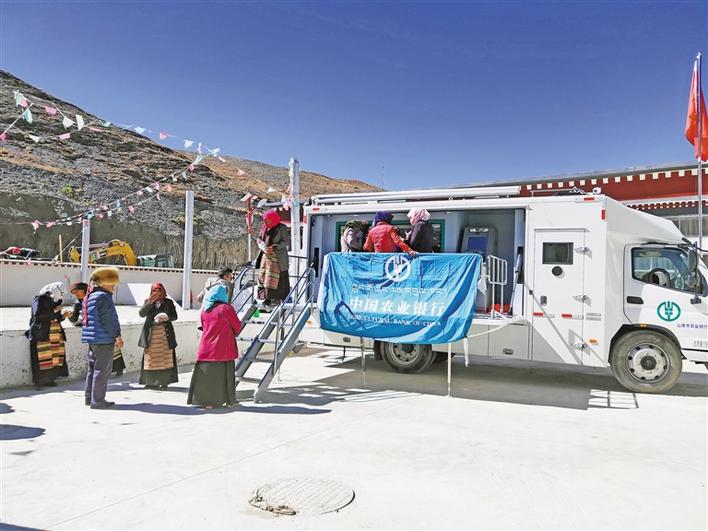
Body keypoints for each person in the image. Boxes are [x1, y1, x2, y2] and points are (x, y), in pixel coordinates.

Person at [188, 284, 241, 409]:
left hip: (206, 349)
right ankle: (229, 401)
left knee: (207, 378)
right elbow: (237, 327)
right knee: (226, 377)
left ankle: (206, 402)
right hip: (224, 349)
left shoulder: (205, 310)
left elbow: (203, 326)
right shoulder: (226, 308)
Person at [82, 267, 123, 409]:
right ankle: (98, 400)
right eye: (112, 283)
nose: (114, 286)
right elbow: (108, 320)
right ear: (104, 282)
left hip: (92, 338)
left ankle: (89, 398)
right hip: (103, 338)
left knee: (92, 369)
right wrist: (117, 336)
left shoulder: (91, 295)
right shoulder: (104, 297)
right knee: (102, 370)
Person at [67, 281, 125, 376]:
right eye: (73, 293)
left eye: (77, 292)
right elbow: (75, 318)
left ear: (83, 289)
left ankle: (118, 369)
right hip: (94, 333)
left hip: (105, 330)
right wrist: (70, 316)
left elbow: (107, 317)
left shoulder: (96, 297)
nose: (76, 295)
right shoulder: (77, 303)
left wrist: (116, 334)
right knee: (98, 364)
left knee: (114, 351)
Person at [25, 282, 69, 389]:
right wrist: (54, 310)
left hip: (55, 333)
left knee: (54, 357)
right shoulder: (39, 299)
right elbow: (38, 315)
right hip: (41, 332)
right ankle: (39, 381)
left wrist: (63, 316)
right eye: (61, 293)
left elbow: (56, 318)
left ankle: (50, 379)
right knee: (42, 357)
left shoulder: (56, 300)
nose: (61, 296)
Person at [138, 282, 179, 389]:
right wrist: (150, 302)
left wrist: (167, 317)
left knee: (165, 358)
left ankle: (164, 381)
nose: (157, 293)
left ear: (163, 291)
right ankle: (151, 382)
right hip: (151, 335)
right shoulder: (148, 301)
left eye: (159, 290)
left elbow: (174, 316)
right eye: (154, 291)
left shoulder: (168, 302)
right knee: (152, 359)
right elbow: (141, 314)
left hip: (165, 335)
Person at [256, 209, 291, 307]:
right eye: (265, 220)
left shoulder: (281, 228)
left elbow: (286, 241)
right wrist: (261, 244)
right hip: (266, 257)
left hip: (277, 258)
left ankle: (276, 298)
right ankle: (266, 298)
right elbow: (259, 238)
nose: (267, 222)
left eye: (268, 220)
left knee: (275, 278)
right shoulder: (264, 228)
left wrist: (274, 247)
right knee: (264, 277)